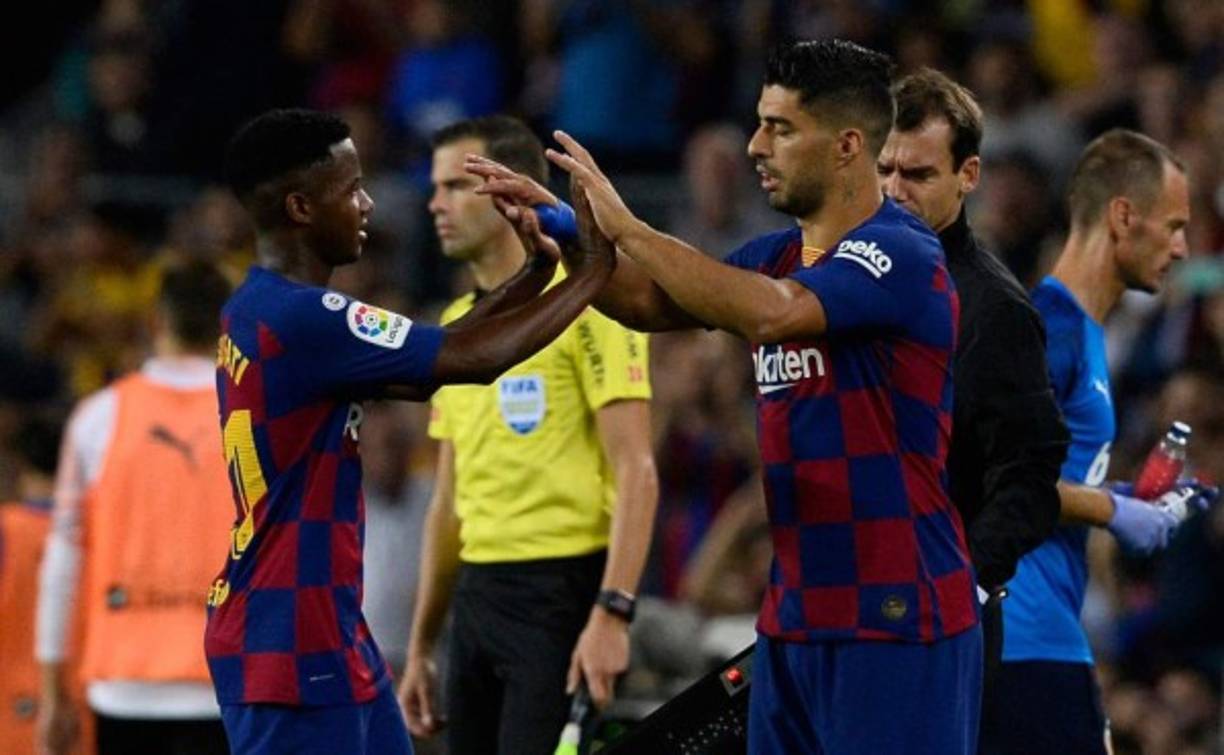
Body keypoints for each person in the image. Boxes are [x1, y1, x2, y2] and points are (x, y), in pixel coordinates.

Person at [473, 39, 980, 755]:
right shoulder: (774, 255)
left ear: (846, 146)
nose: (755, 146)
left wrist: (630, 227)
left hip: (896, 615)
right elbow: (651, 299)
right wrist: (558, 225)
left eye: (780, 127)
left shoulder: (901, 252)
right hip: (794, 619)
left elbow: (773, 312)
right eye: (758, 122)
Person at [203, 108, 615, 755]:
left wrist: (537, 273)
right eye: (351, 189)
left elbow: (440, 353)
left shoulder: (259, 309)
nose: (369, 203)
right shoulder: (303, 318)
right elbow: (473, 362)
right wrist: (593, 274)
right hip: (288, 639)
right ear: (302, 208)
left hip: (327, 626)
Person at [398, 116, 657, 755]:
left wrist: (612, 612)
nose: (436, 204)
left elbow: (637, 472)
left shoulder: (589, 306)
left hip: (560, 590)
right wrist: (422, 645)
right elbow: (447, 503)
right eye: (436, 188)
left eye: (456, 186)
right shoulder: (457, 329)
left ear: (508, 192)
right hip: (478, 598)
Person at [980, 130, 1210, 754]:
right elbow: (989, 476)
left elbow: (1037, 472)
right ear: (1123, 216)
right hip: (1023, 640)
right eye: (1173, 226)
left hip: (1033, 638)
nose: (1183, 247)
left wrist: (1124, 495)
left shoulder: (1081, 336)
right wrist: (1116, 511)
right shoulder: (1049, 332)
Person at [36, 261, 236, 755]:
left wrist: (52, 689)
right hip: (231, 676)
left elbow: (62, 560)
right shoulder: (255, 418)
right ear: (226, 325)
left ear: (155, 322)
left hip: (125, 682)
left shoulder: (98, 417)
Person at [1, 416, 79, 755]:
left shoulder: (7, 529)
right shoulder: (97, 532)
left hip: (11, 719)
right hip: (83, 715)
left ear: (18, 465)